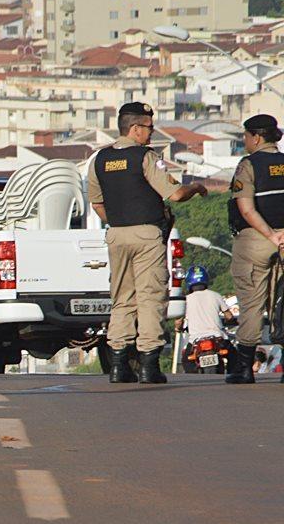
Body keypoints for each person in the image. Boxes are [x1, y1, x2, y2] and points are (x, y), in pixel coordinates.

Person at [88, 102, 208, 384]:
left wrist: (119, 220)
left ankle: (118, 364)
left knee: (121, 298)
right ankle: (149, 364)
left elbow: (96, 203)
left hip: (116, 234)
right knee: (150, 297)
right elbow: (175, 195)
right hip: (146, 235)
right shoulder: (145, 157)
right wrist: (196, 188)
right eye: (149, 128)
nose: (151, 133)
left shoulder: (100, 159)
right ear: (135, 128)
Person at [225, 113, 284, 384]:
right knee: (281, 302)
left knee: (251, 303)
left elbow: (246, 209)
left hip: (257, 240)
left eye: (246, 137)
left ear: (256, 137)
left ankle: (245, 367)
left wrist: (271, 234)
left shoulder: (248, 165)